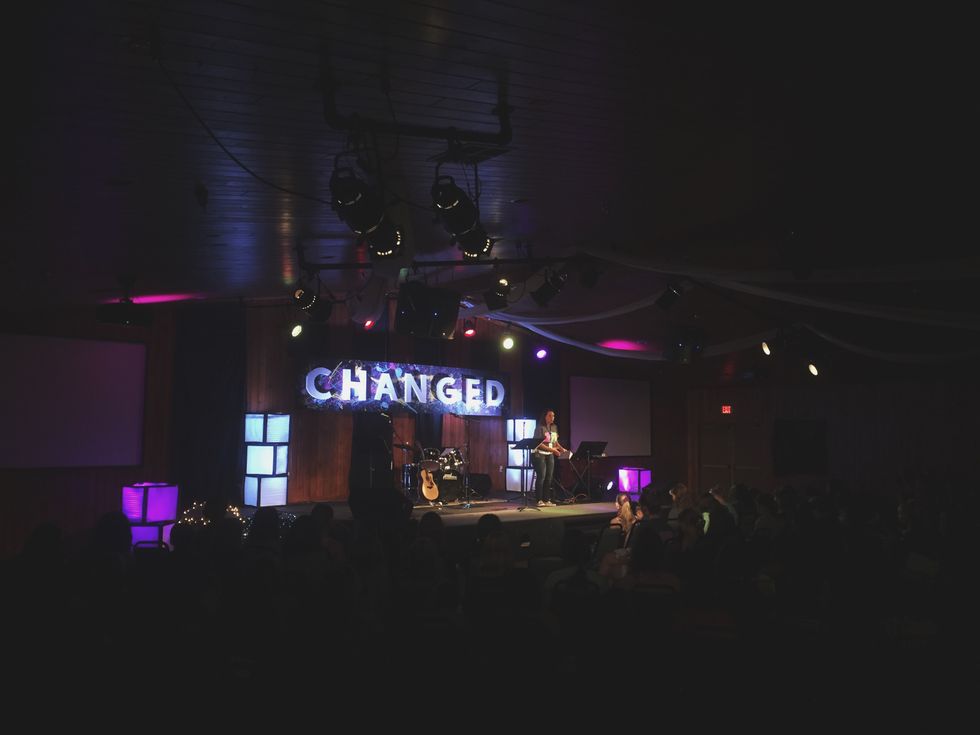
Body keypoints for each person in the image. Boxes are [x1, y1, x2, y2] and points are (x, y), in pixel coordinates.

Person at [531, 408, 567, 507]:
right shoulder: (540, 428)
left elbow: (555, 441)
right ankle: (539, 500)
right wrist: (553, 450)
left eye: (553, 416)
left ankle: (546, 500)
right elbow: (539, 444)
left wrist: (561, 449)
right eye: (550, 415)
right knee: (541, 476)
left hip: (549, 453)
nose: (552, 417)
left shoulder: (554, 427)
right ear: (545, 417)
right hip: (539, 454)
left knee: (549, 477)